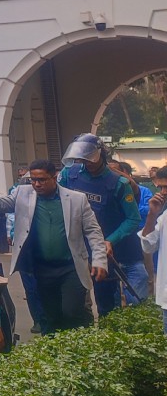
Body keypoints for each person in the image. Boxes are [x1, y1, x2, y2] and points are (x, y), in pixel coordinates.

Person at [0, 159, 108, 334]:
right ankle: (53, 353)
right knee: (50, 316)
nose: (36, 184)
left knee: (72, 312)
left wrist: (99, 260)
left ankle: (77, 349)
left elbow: (93, 231)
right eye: (33, 180)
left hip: (71, 267)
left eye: (42, 180)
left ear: (55, 178)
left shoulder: (76, 199)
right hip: (42, 268)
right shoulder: (22, 193)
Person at [59, 134, 146, 313]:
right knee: (91, 303)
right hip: (84, 250)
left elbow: (133, 219)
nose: (86, 162)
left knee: (121, 302)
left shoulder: (119, 183)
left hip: (114, 250)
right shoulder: (70, 174)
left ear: (101, 154)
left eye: (90, 157)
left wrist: (110, 240)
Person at [138, 168, 167, 334]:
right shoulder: (164, 217)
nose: (163, 192)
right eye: (161, 187)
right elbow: (148, 246)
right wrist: (152, 215)